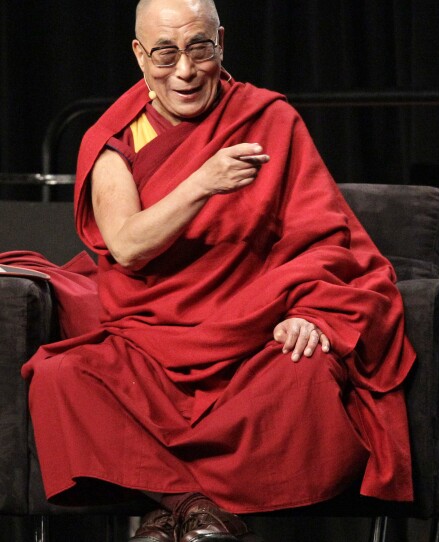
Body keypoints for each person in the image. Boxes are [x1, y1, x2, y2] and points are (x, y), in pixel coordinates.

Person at [21, 0, 416, 541]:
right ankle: (198, 509)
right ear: (139, 55)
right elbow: (128, 245)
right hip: (149, 346)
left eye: (198, 48)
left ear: (220, 43)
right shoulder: (115, 139)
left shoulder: (267, 119)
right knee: (60, 376)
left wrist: (309, 313)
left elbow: (323, 236)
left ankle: (171, 514)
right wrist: (203, 182)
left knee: (307, 375)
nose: (184, 70)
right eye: (164, 53)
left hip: (251, 341)